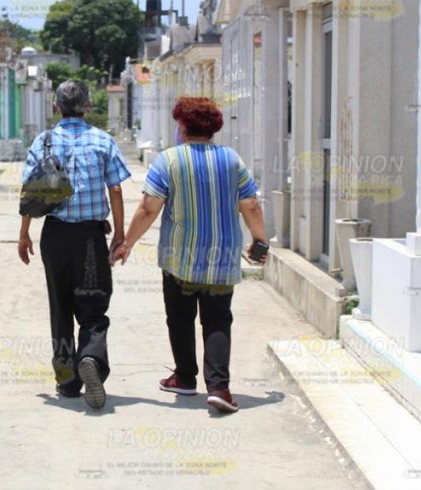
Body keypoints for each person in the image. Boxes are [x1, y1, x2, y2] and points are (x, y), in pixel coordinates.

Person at [111, 97, 268, 414]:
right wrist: (260, 241)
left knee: (180, 318)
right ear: (214, 128)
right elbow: (250, 204)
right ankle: (220, 387)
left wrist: (126, 242)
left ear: (183, 126)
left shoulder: (168, 161)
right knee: (217, 320)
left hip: (179, 259)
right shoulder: (232, 160)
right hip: (222, 259)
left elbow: (148, 209)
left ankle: (184, 377)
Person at [18, 80, 132, 410]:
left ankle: (67, 381)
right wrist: (120, 236)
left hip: (54, 236)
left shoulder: (44, 140)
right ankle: (92, 360)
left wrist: (24, 233)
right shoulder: (102, 140)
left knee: (60, 306)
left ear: (56, 107)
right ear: (88, 107)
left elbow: (30, 190)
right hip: (90, 238)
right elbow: (116, 191)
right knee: (93, 307)